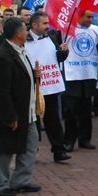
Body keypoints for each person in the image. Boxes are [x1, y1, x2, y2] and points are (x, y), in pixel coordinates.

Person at [0, 17, 41, 196]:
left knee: (30, 145)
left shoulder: (20, 51)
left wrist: (33, 75)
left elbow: (19, 77)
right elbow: (1, 91)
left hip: (28, 111)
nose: (27, 32)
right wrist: (10, 117)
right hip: (13, 113)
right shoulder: (3, 57)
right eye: (25, 29)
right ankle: (0, 185)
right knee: (5, 149)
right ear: (18, 34)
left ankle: (20, 181)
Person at [24, 11, 71, 163]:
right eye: (44, 23)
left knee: (53, 119)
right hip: (32, 88)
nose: (47, 26)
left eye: (47, 23)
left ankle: (59, 150)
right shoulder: (24, 40)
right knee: (33, 120)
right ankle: (32, 150)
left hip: (50, 86)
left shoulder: (51, 37)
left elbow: (56, 57)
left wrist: (63, 52)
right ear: (34, 25)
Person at [62, 10, 98, 152]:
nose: (91, 20)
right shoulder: (66, 29)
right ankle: (69, 140)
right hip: (72, 76)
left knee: (86, 110)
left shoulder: (96, 31)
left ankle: (85, 139)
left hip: (88, 75)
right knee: (70, 111)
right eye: (88, 17)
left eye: (92, 16)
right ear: (79, 16)